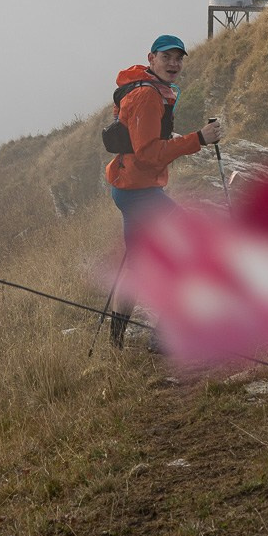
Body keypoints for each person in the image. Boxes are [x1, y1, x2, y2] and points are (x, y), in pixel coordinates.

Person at [105, 34, 221, 347]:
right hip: (140, 192)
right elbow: (147, 152)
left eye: (178, 58)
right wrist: (199, 138)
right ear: (151, 58)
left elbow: (136, 134)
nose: (174, 64)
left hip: (131, 187)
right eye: (166, 57)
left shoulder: (147, 88)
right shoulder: (147, 96)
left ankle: (116, 340)